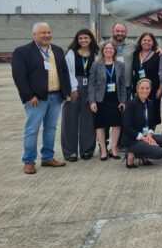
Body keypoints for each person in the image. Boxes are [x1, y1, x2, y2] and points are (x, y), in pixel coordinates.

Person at [12, 22, 71, 174]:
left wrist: (66, 92)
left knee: (51, 129)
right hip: (36, 99)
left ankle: (47, 158)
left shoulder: (57, 50)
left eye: (48, 32)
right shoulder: (23, 51)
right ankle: (29, 161)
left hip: (56, 96)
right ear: (34, 35)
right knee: (32, 130)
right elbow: (19, 76)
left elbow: (64, 73)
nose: (47, 35)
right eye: (43, 33)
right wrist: (28, 96)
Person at [62, 28, 98, 162]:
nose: (83, 40)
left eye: (86, 38)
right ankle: (70, 151)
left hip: (90, 87)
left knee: (89, 120)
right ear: (77, 40)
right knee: (69, 119)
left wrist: (92, 93)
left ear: (91, 39)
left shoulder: (96, 53)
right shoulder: (71, 54)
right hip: (74, 88)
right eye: (80, 38)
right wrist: (72, 88)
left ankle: (87, 150)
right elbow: (66, 72)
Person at [88, 41, 126, 161]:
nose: (108, 50)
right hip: (100, 100)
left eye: (111, 48)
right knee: (100, 125)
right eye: (106, 48)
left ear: (114, 51)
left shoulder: (120, 65)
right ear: (102, 51)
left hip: (115, 99)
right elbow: (91, 84)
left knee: (116, 124)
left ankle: (113, 148)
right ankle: (103, 150)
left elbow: (123, 84)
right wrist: (92, 101)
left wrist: (123, 100)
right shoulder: (96, 64)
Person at [122, 79, 162, 168]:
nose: (145, 90)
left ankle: (144, 153)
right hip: (133, 139)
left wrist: (149, 135)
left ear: (150, 89)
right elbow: (127, 127)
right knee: (160, 153)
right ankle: (131, 154)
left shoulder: (150, 103)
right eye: (142, 88)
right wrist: (143, 138)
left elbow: (151, 124)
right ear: (137, 89)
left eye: (147, 88)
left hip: (145, 135)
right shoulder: (131, 104)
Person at [130, 32, 161, 127]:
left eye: (149, 40)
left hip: (153, 89)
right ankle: (140, 136)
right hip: (138, 89)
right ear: (140, 42)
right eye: (144, 40)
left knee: (152, 112)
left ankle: (150, 134)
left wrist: (161, 88)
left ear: (153, 42)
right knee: (138, 112)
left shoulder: (158, 54)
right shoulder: (135, 54)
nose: (146, 42)